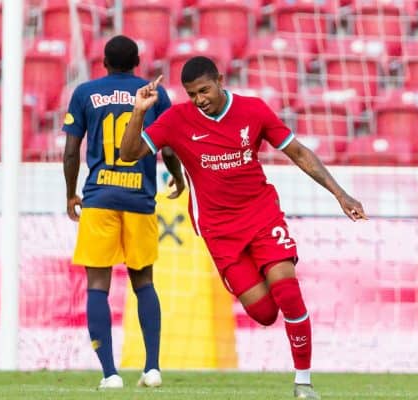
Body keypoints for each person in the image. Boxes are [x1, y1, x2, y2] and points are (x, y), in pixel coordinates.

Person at [119, 56, 367, 399]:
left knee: (288, 293)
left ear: (220, 80)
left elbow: (297, 152)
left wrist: (341, 194)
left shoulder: (253, 110)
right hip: (219, 231)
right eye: (192, 94)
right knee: (265, 313)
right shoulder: (176, 119)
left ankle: (304, 383)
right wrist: (139, 110)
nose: (199, 99)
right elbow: (128, 154)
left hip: (262, 216)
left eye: (204, 90)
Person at [62, 35, 184, 389]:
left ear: (104, 62)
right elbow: (170, 146)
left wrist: (71, 194)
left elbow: (72, 152)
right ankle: (152, 368)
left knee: (97, 286)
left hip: (99, 198)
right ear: (137, 62)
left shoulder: (85, 93)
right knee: (143, 282)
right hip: (139, 198)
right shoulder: (154, 93)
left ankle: (110, 374)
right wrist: (177, 178)